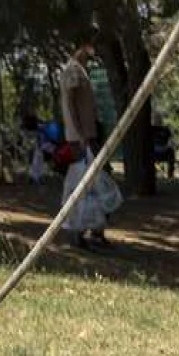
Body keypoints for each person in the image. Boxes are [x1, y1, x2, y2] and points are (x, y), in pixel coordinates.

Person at [59, 29, 121, 250]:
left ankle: (96, 230)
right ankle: (78, 232)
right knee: (83, 186)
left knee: (98, 184)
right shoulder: (73, 71)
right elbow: (72, 104)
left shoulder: (81, 71)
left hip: (89, 135)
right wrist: (81, 135)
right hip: (81, 138)